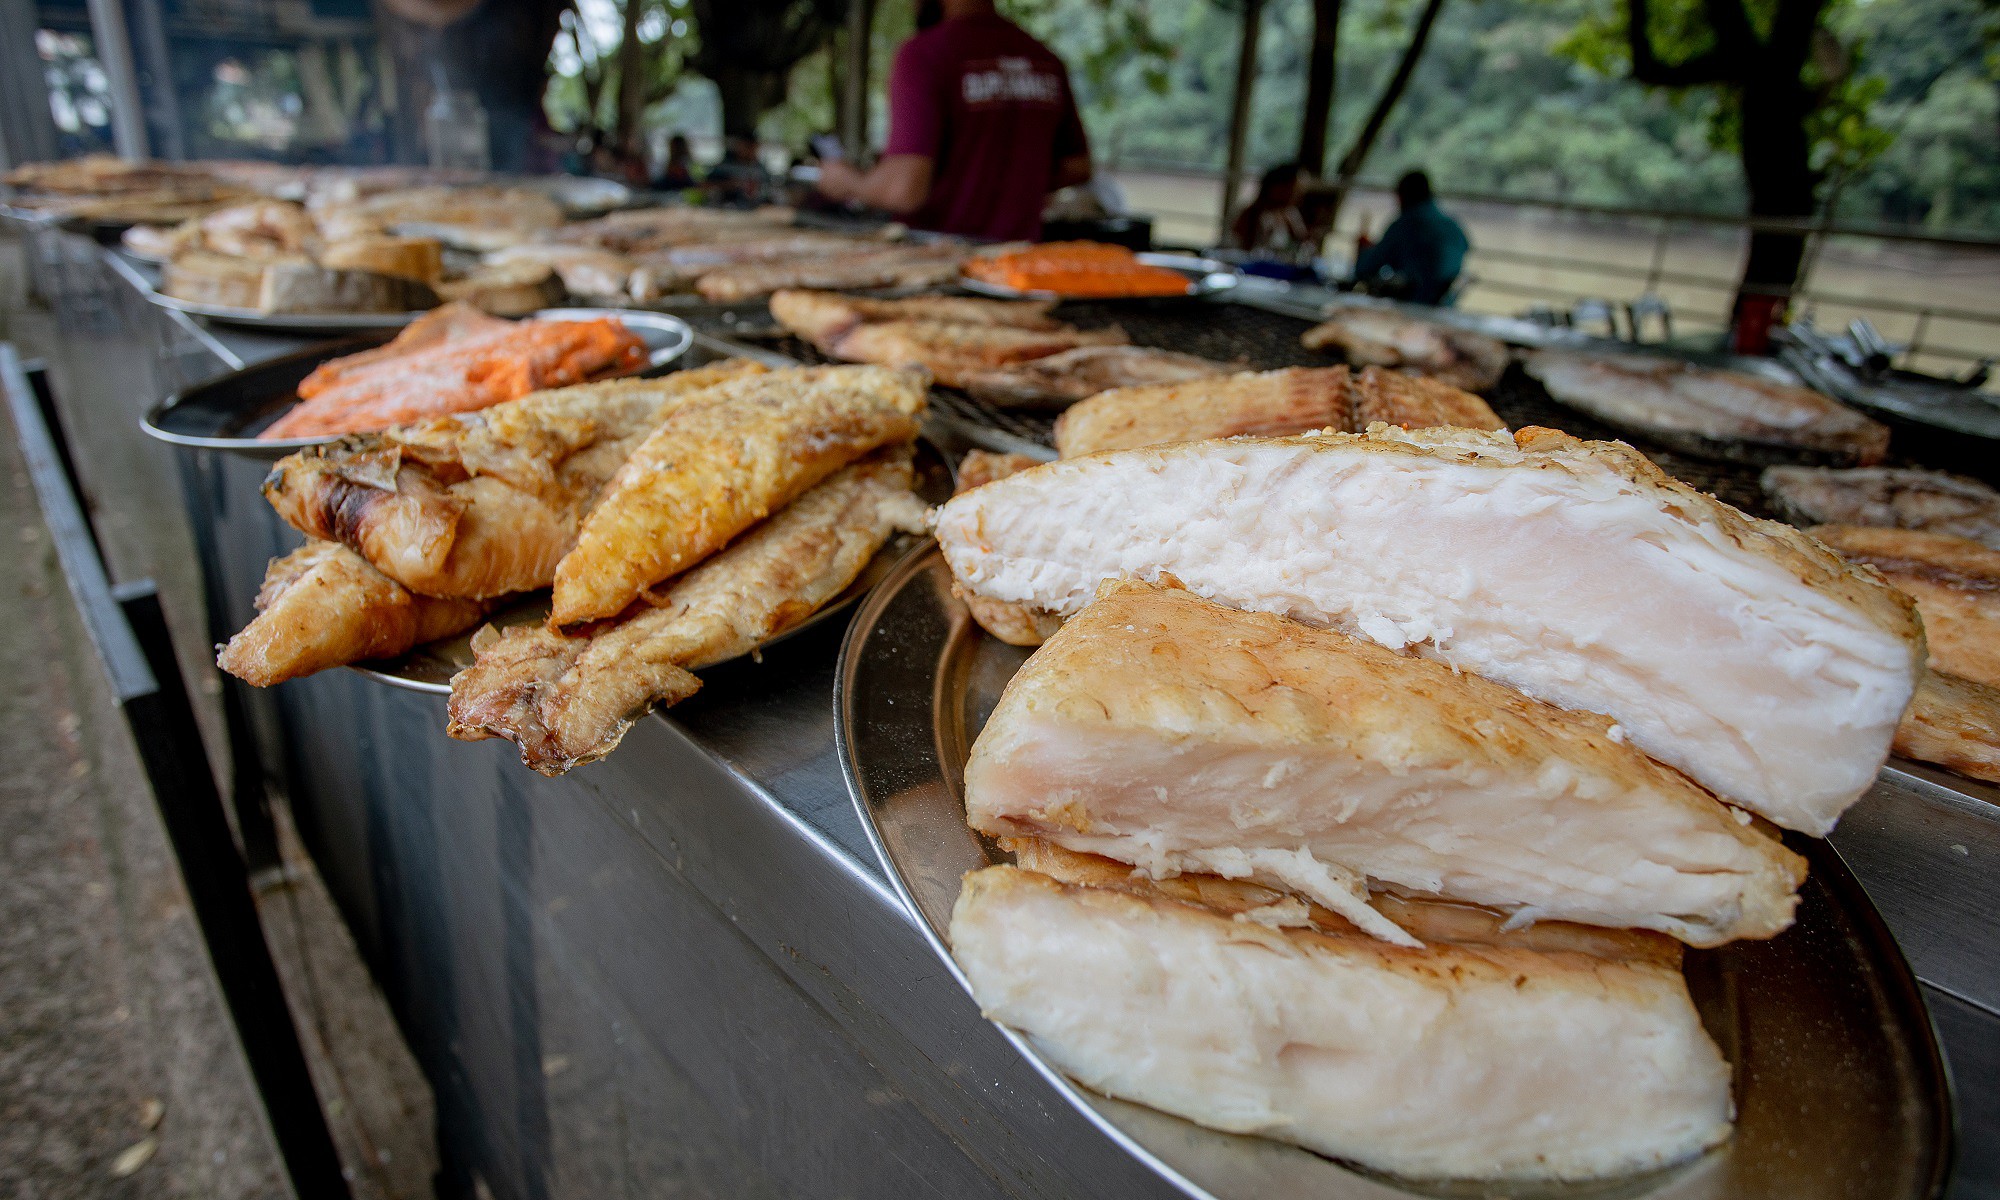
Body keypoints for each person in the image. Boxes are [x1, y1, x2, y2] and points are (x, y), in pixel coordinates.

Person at [813, 0, 1093, 241]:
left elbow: (905, 190)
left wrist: (847, 182)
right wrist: (1013, 178)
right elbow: (1077, 166)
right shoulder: (1045, 60)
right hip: (1018, 265)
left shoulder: (924, 54)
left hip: (937, 262)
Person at [1352, 170, 1469, 305]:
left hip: (1414, 303)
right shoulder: (1452, 226)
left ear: (1402, 196)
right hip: (1444, 305)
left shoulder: (1405, 225)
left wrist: (1365, 249)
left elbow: (1365, 268)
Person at [1229, 163, 1310, 260]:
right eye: (1294, 190)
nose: (1298, 196)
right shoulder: (1252, 214)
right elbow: (1243, 253)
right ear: (1277, 187)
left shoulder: (1291, 215)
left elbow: (1303, 247)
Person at [705, 135, 773, 207]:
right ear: (739, 146)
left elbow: (770, 189)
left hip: (755, 210)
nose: (751, 151)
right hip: (726, 209)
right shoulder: (726, 166)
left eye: (754, 148)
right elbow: (704, 185)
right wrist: (731, 184)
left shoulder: (760, 168)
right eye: (747, 147)